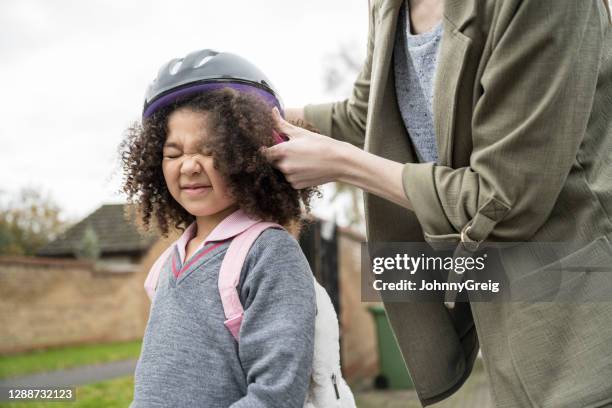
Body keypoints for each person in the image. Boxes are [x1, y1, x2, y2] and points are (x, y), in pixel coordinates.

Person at [264, 0, 612, 407]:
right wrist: (246, 116)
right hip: (497, 297)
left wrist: (345, 164)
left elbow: (503, 200)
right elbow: (368, 114)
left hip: (581, 308)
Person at [119, 49, 319, 407]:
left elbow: (276, 394)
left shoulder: (269, 253)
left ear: (248, 156)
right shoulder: (168, 262)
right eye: (173, 153)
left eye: (210, 149)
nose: (189, 166)